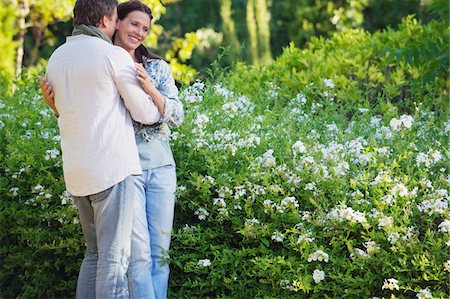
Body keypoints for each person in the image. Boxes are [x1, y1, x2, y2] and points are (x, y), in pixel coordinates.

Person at [41, 1, 183, 298]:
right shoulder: (109, 58)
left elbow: (177, 115)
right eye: (133, 24)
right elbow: (99, 112)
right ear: (114, 21)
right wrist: (55, 106)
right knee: (131, 257)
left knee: (157, 255)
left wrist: (152, 89)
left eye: (145, 28)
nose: (140, 32)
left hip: (156, 167)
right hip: (122, 170)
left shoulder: (154, 67)